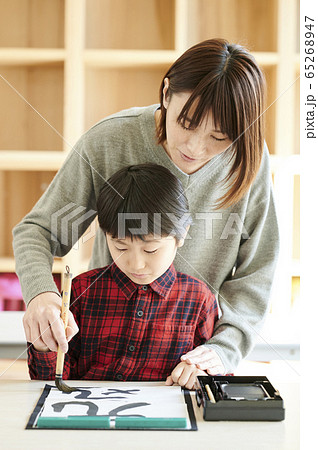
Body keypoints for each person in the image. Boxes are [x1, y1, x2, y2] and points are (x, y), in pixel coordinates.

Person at [13, 38, 279, 377]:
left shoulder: (248, 159)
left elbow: (257, 271)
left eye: (219, 137)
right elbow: (39, 231)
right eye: (187, 122)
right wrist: (41, 295)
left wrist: (222, 350)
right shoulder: (111, 141)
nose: (196, 147)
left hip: (191, 362)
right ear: (166, 93)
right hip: (107, 349)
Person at [28, 163, 218, 389]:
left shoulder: (199, 300)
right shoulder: (81, 291)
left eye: (150, 250)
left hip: (162, 420)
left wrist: (200, 373)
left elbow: (214, 378)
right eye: (120, 247)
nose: (136, 263)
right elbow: (49, 383)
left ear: (181, 234)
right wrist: (44, 345)